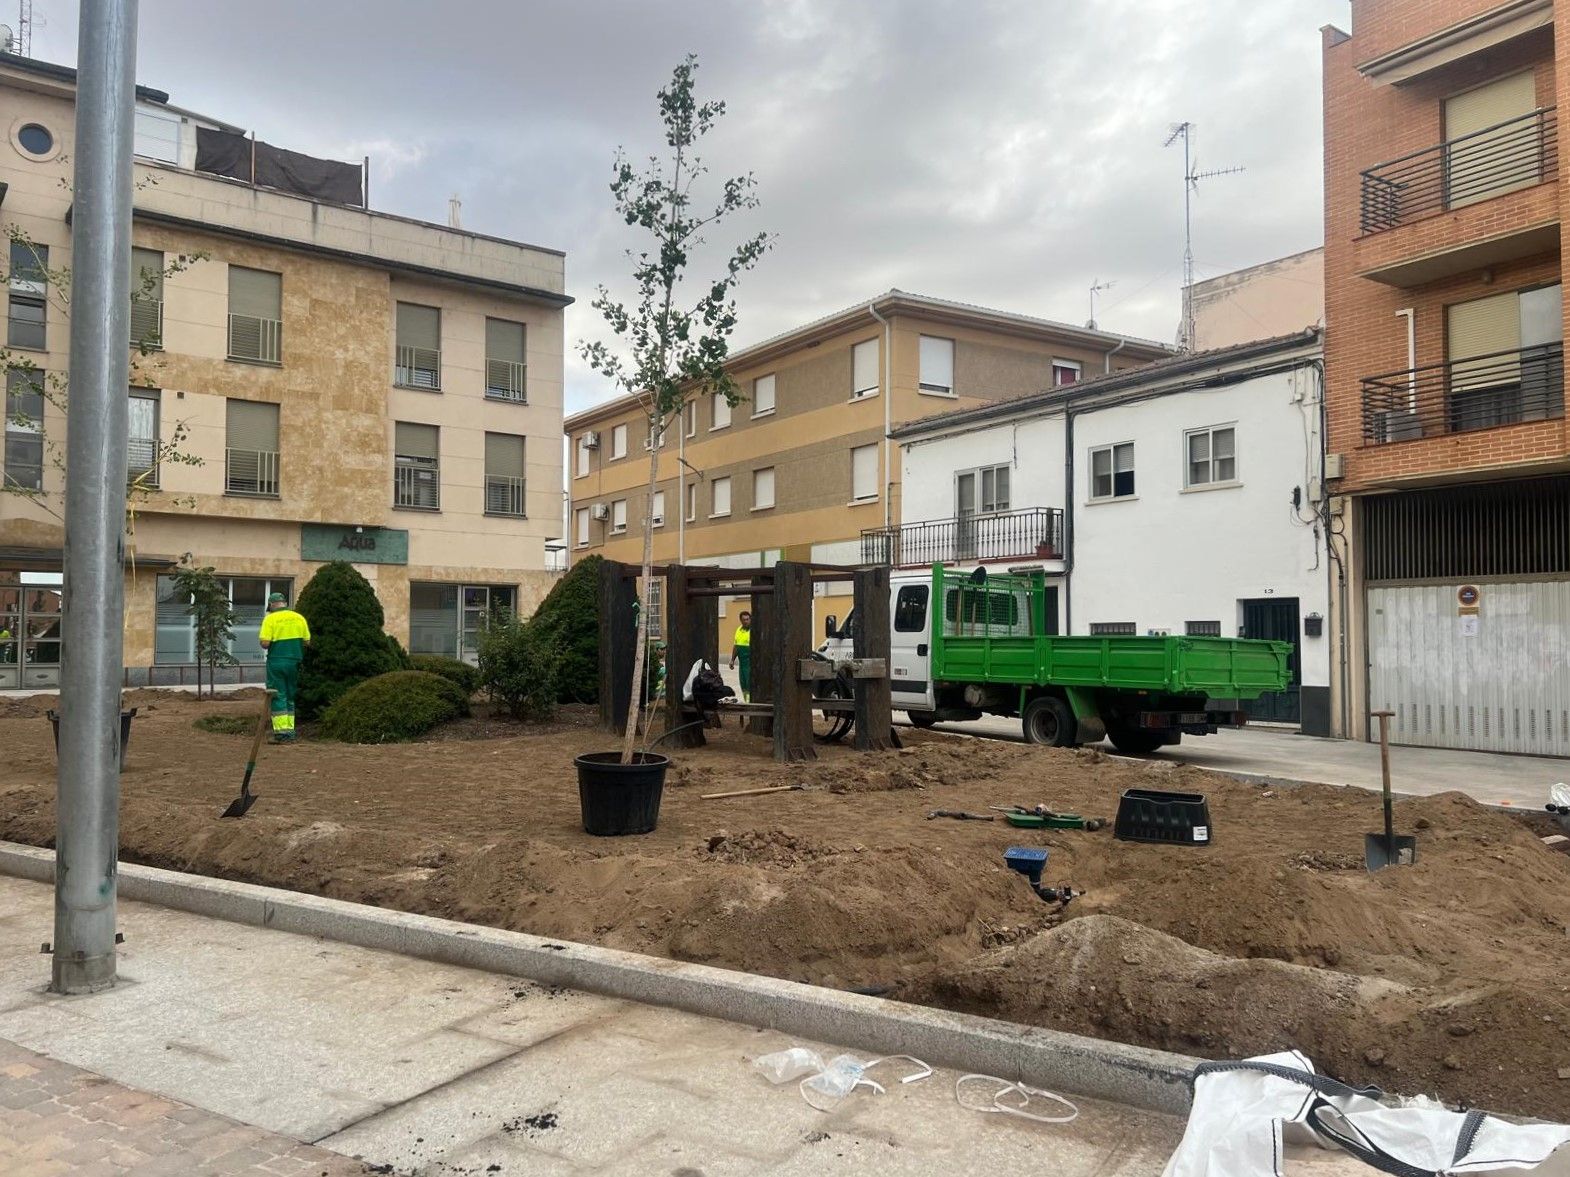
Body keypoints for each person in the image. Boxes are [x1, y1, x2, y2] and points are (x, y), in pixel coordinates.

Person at [258, 592, 311, 743]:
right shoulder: (299, 618)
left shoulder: (270, 618)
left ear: (272, 604)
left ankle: (281, 734)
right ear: (285, 603)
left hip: (277, 661)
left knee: (277, 694)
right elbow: (307, 642)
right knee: (290, 695)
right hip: (295, 661)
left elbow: (265, 643)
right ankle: (290, 731)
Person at [728, 610, 752, 703]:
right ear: (741, 620)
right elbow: (736, 646)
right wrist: (732, 660)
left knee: (750, 683)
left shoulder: (753, 631)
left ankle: (752, 702)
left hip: (750, 661)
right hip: (742, 662)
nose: (746, 621)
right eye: (744, 620)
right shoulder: (739, 630)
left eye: (747, 619)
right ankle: (747, 701)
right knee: (743, 683)